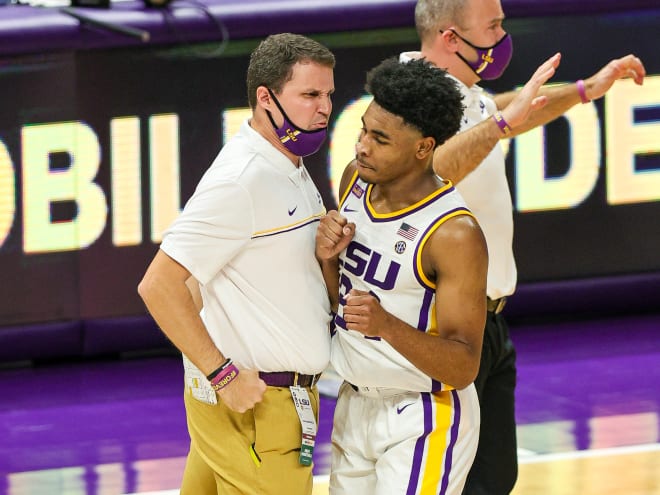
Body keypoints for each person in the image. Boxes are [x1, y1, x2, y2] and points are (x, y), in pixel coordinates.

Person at [403, 1, 647, 493]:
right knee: (448, 480)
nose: (502, 34)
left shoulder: (464, 93)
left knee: (493, 477)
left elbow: (506, 110)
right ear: (451, 38)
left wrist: (584, 91)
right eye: (492, 26)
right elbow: (426, 175)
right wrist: (502, 124)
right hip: (441, 325)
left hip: (488, 319)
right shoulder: (412, 98)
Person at [137, 33, 336, 495]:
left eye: (328, 94)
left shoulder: (289, 164)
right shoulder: (243, 179)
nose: (324, 107)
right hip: (260, 411)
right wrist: (220, 372)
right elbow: (160, 284)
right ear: (265, 98)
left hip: (244, 411)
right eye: (309, 95)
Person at [316, 57, 489, 495]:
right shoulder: (355, 182)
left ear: (423, 147)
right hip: (354, 402)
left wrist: (387, 326)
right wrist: (327, 259)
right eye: (363, 130)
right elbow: (341, 305)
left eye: (380, 139)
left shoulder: (454, 233)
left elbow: (464, 365)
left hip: (423, 414)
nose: (361, 147)